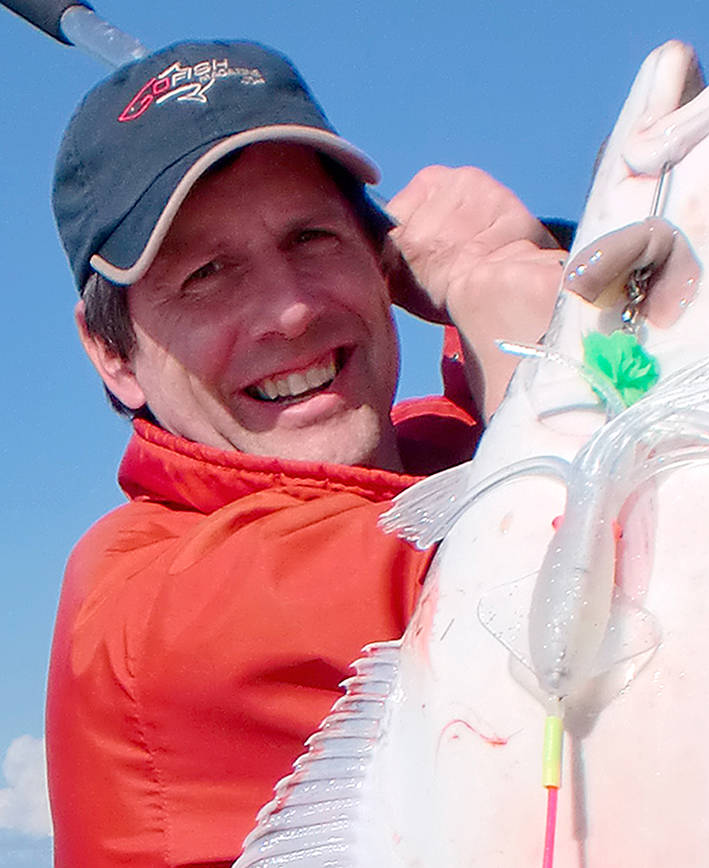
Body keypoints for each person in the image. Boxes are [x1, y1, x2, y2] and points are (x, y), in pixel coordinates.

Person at [43, 38, 597, 867]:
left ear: (383, 261)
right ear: (112, 353)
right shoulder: (142, 608)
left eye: (311, 237)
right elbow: (578, 583)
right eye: (206, 274)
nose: (292, 310)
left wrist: (536, 261)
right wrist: (538, 334)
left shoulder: (438, 448)